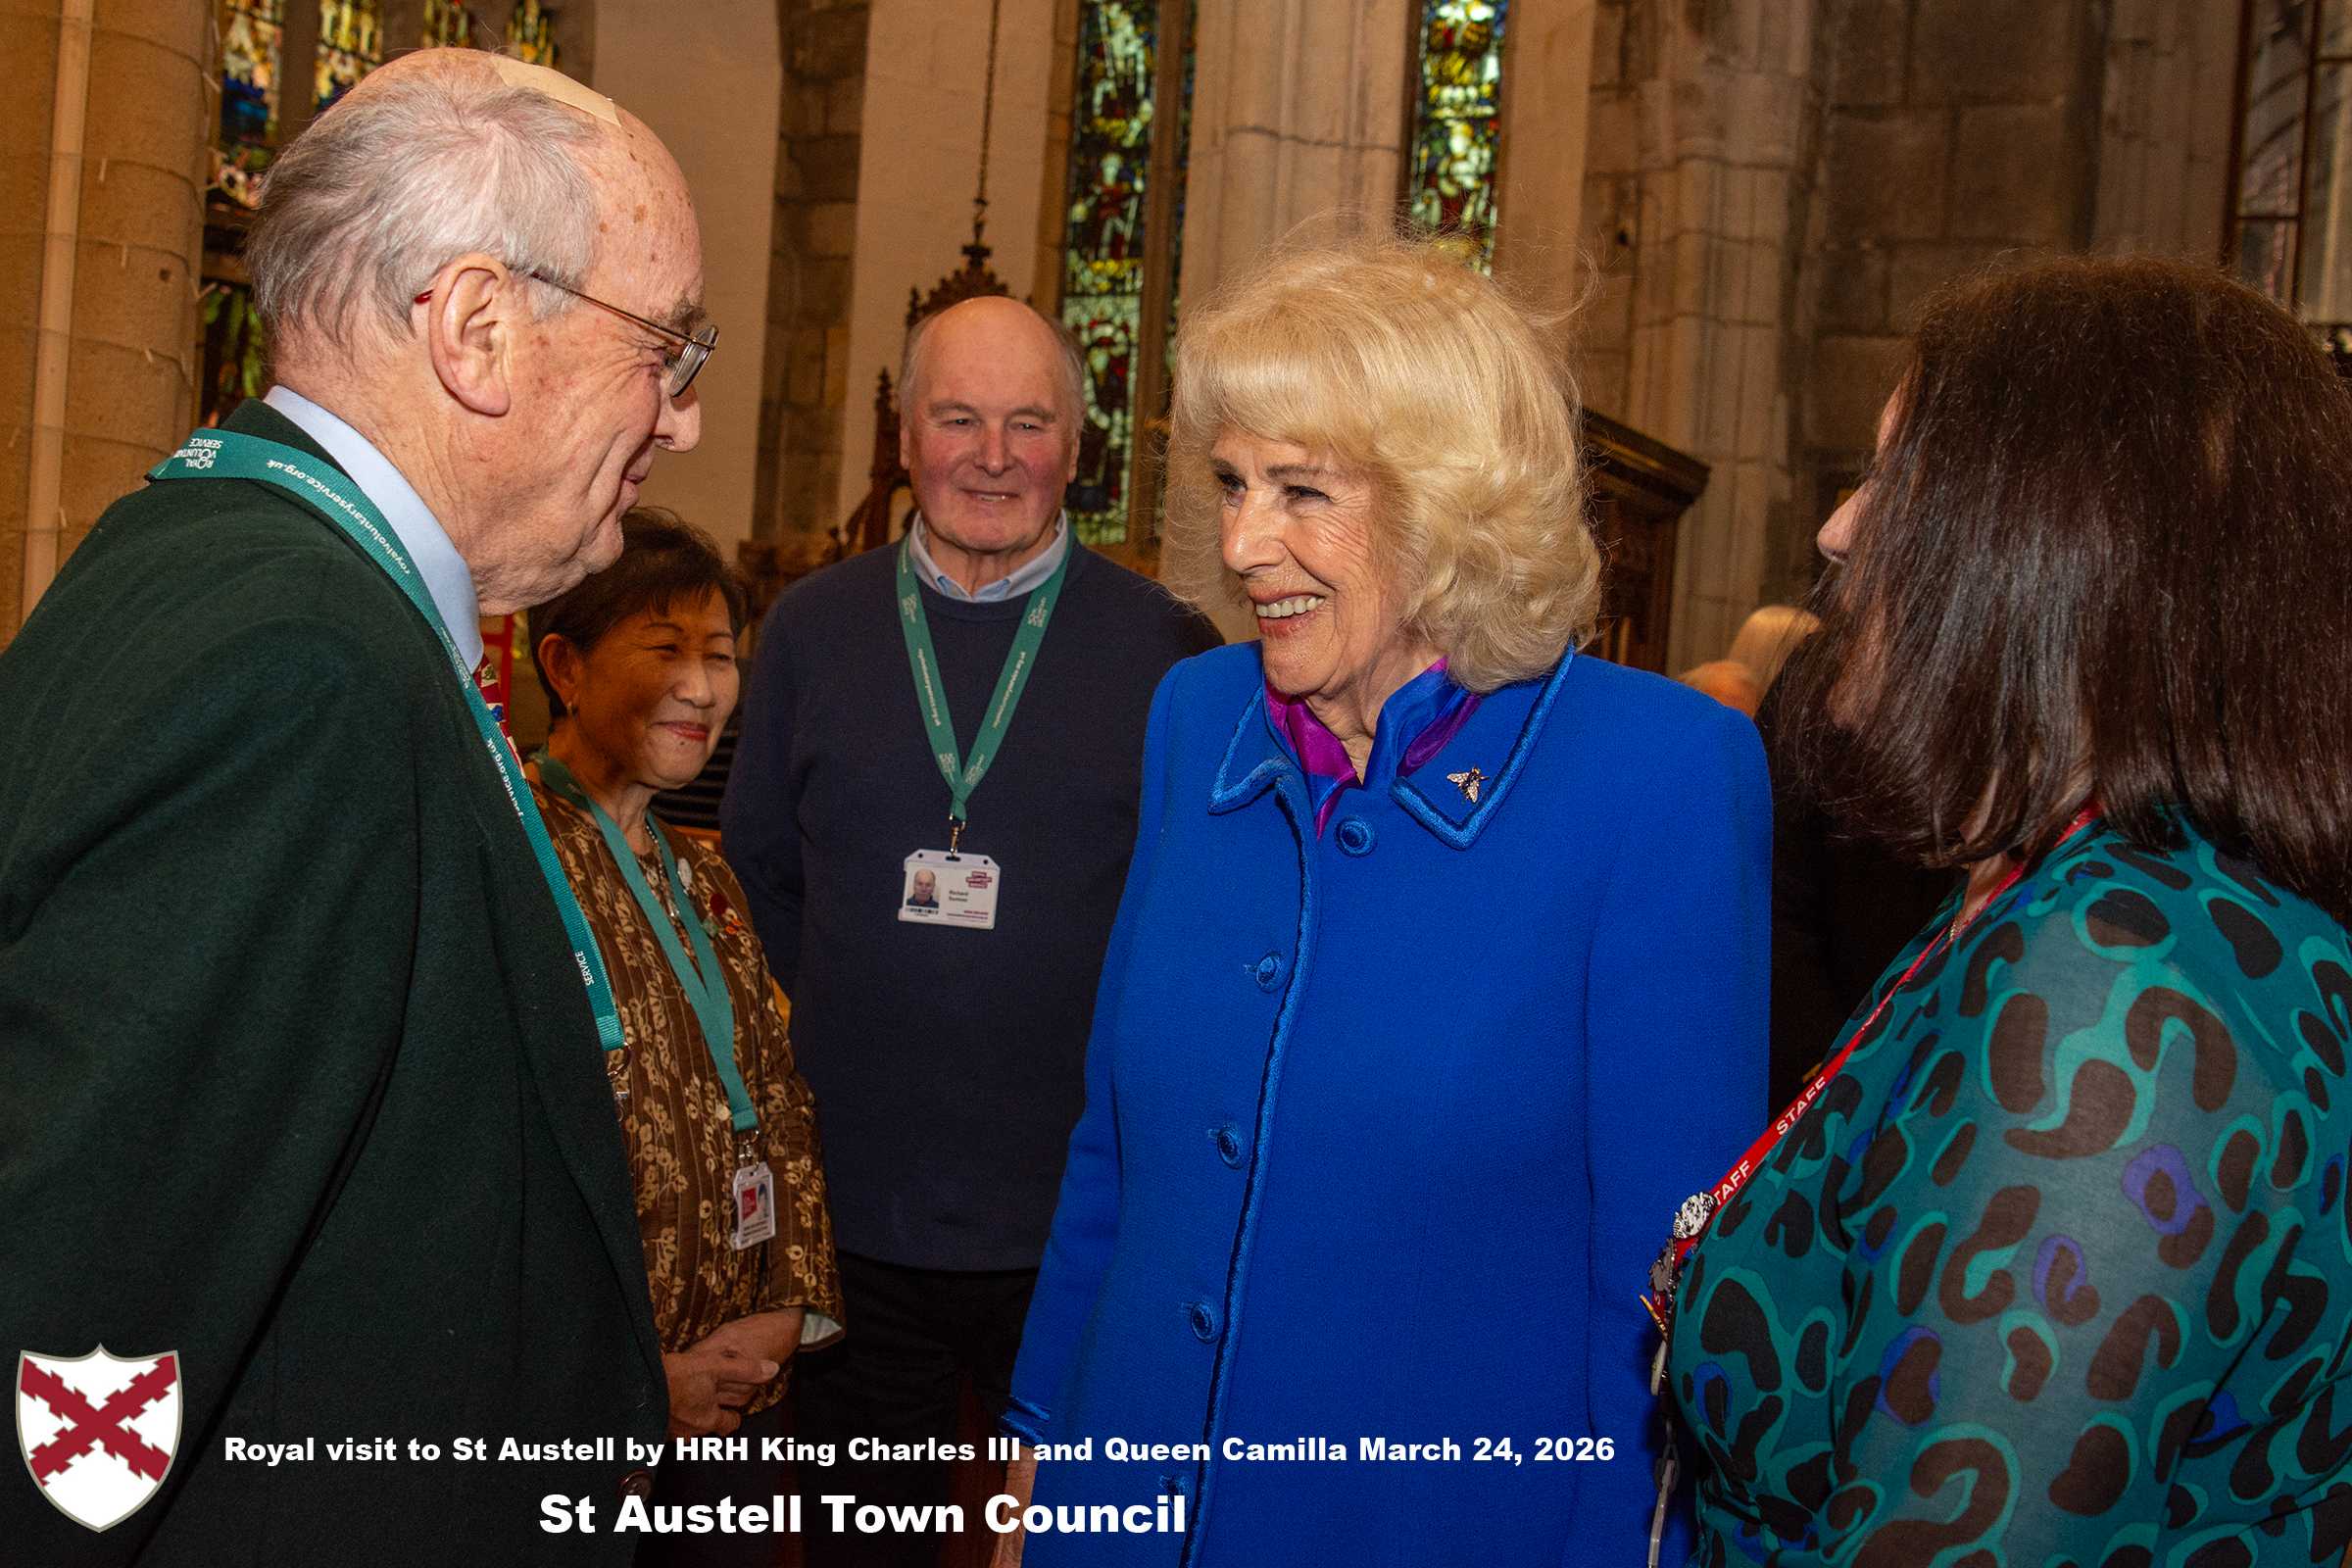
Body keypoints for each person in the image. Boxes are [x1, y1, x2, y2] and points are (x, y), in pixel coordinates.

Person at [0, 52, 706, 1564]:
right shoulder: (304, 670)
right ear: (477, 329)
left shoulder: (204, 553)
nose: (684, 420)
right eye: (668, 350)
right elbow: (86, 1326)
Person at [997, 236, 1770, 1564]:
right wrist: (1036, 1472)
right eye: (1235, 483)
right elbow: (1116, 1151)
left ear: (1450, 502)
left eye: (1304, 491)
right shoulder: (1197, 717)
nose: (1244, 543)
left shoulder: (1656, 773)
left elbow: (1665, 1294)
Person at [1662, 259, 2352, 1564]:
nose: (1838, 532)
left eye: (1892, 480)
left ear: (2053, 537)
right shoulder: (2090, 886)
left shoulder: (2115, 994)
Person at [719, 295, 1220, 1564]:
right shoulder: (814, 631)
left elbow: (1199, 926)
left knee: (1070, 1551)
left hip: (1078, 1217)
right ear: (904, 434)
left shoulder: (1171, 653)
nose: (992, 454)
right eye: (957, 418)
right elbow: (762, 877)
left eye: (1027, 422)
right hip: (853, 1215)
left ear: (1077, 443)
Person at [525, 512, 844, 1567]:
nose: (704, 689)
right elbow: (487, 1166)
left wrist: (786, 1311)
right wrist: (629, 1376)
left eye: (722, 657)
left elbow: (781, 1098)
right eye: (667, 651)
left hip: (737, 1403)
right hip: (575, 1416)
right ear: (565, 665)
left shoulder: (704, 876)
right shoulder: (508, 857)